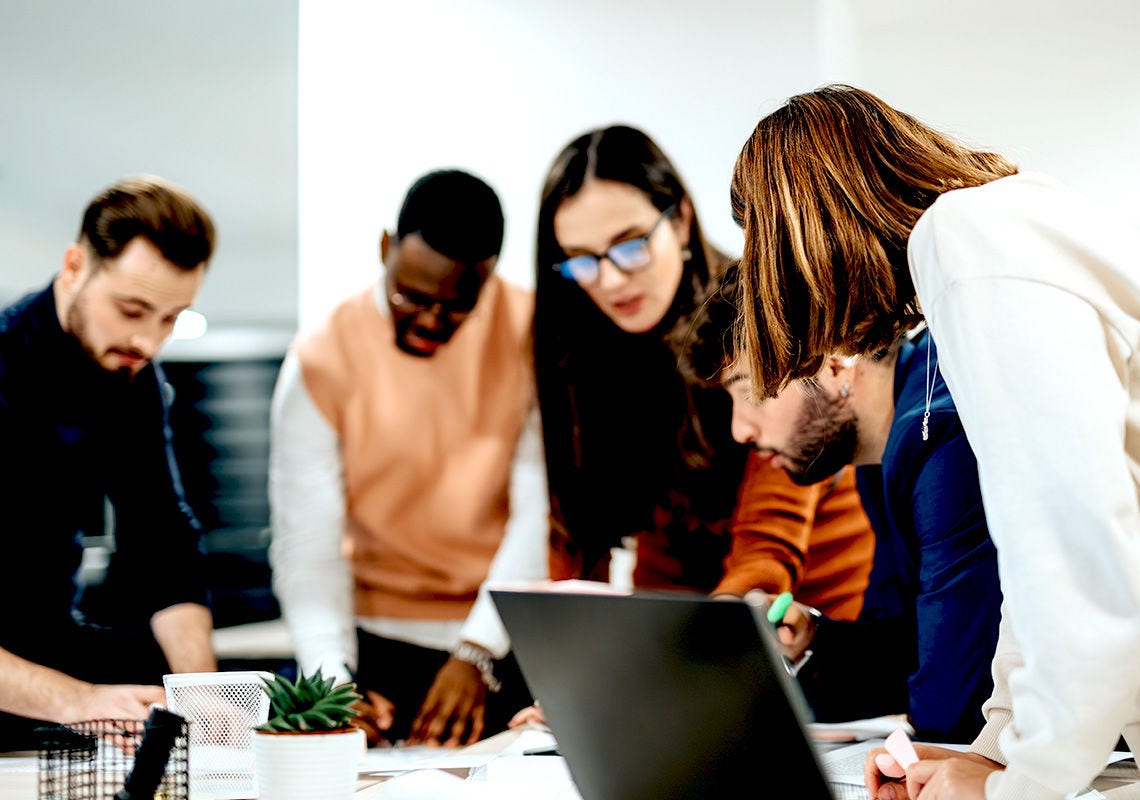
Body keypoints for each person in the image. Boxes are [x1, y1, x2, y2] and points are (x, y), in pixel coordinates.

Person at [731, 83, 1140, 800]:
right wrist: (995, 752)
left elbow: (1077, 556)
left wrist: (1019, 786)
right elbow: (1037, 563)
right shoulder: (989, 235)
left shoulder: (968, 238)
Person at [534, 124, 875, 616]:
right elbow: (583, 539)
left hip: (811, 620)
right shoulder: (588, 352)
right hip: (694, 618)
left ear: (680, 221)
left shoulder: (760, 317)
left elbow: (768, 544)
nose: (609, 281)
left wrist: (708, 643)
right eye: (582, 261)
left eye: (630, 246)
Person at [268, 169, 545, 748]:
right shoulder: (320, 360)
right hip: (374, 645)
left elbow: (538, 512)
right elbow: (307, 545)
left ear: (488, 275)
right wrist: (333, 682)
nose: (429, 321)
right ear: (386, 249)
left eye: (456, 307)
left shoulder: (535, 334)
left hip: (505, 638)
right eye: (410, 297)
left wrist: (477, 651)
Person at [683, 263, 1002, 743]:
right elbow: (905, 649)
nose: (740, 430)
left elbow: (956, 705)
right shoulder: (883, 450)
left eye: (750, 392)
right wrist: (813, 641)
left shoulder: (938, 435)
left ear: (833, 363)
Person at [0, 175, 218, 749]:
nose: (148, 342)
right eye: (132, 310)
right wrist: (75, 700)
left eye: (170, 318)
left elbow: (163, 540)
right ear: (75, 267)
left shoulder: (132, 377)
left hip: (45, 639)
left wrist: (207, 705)